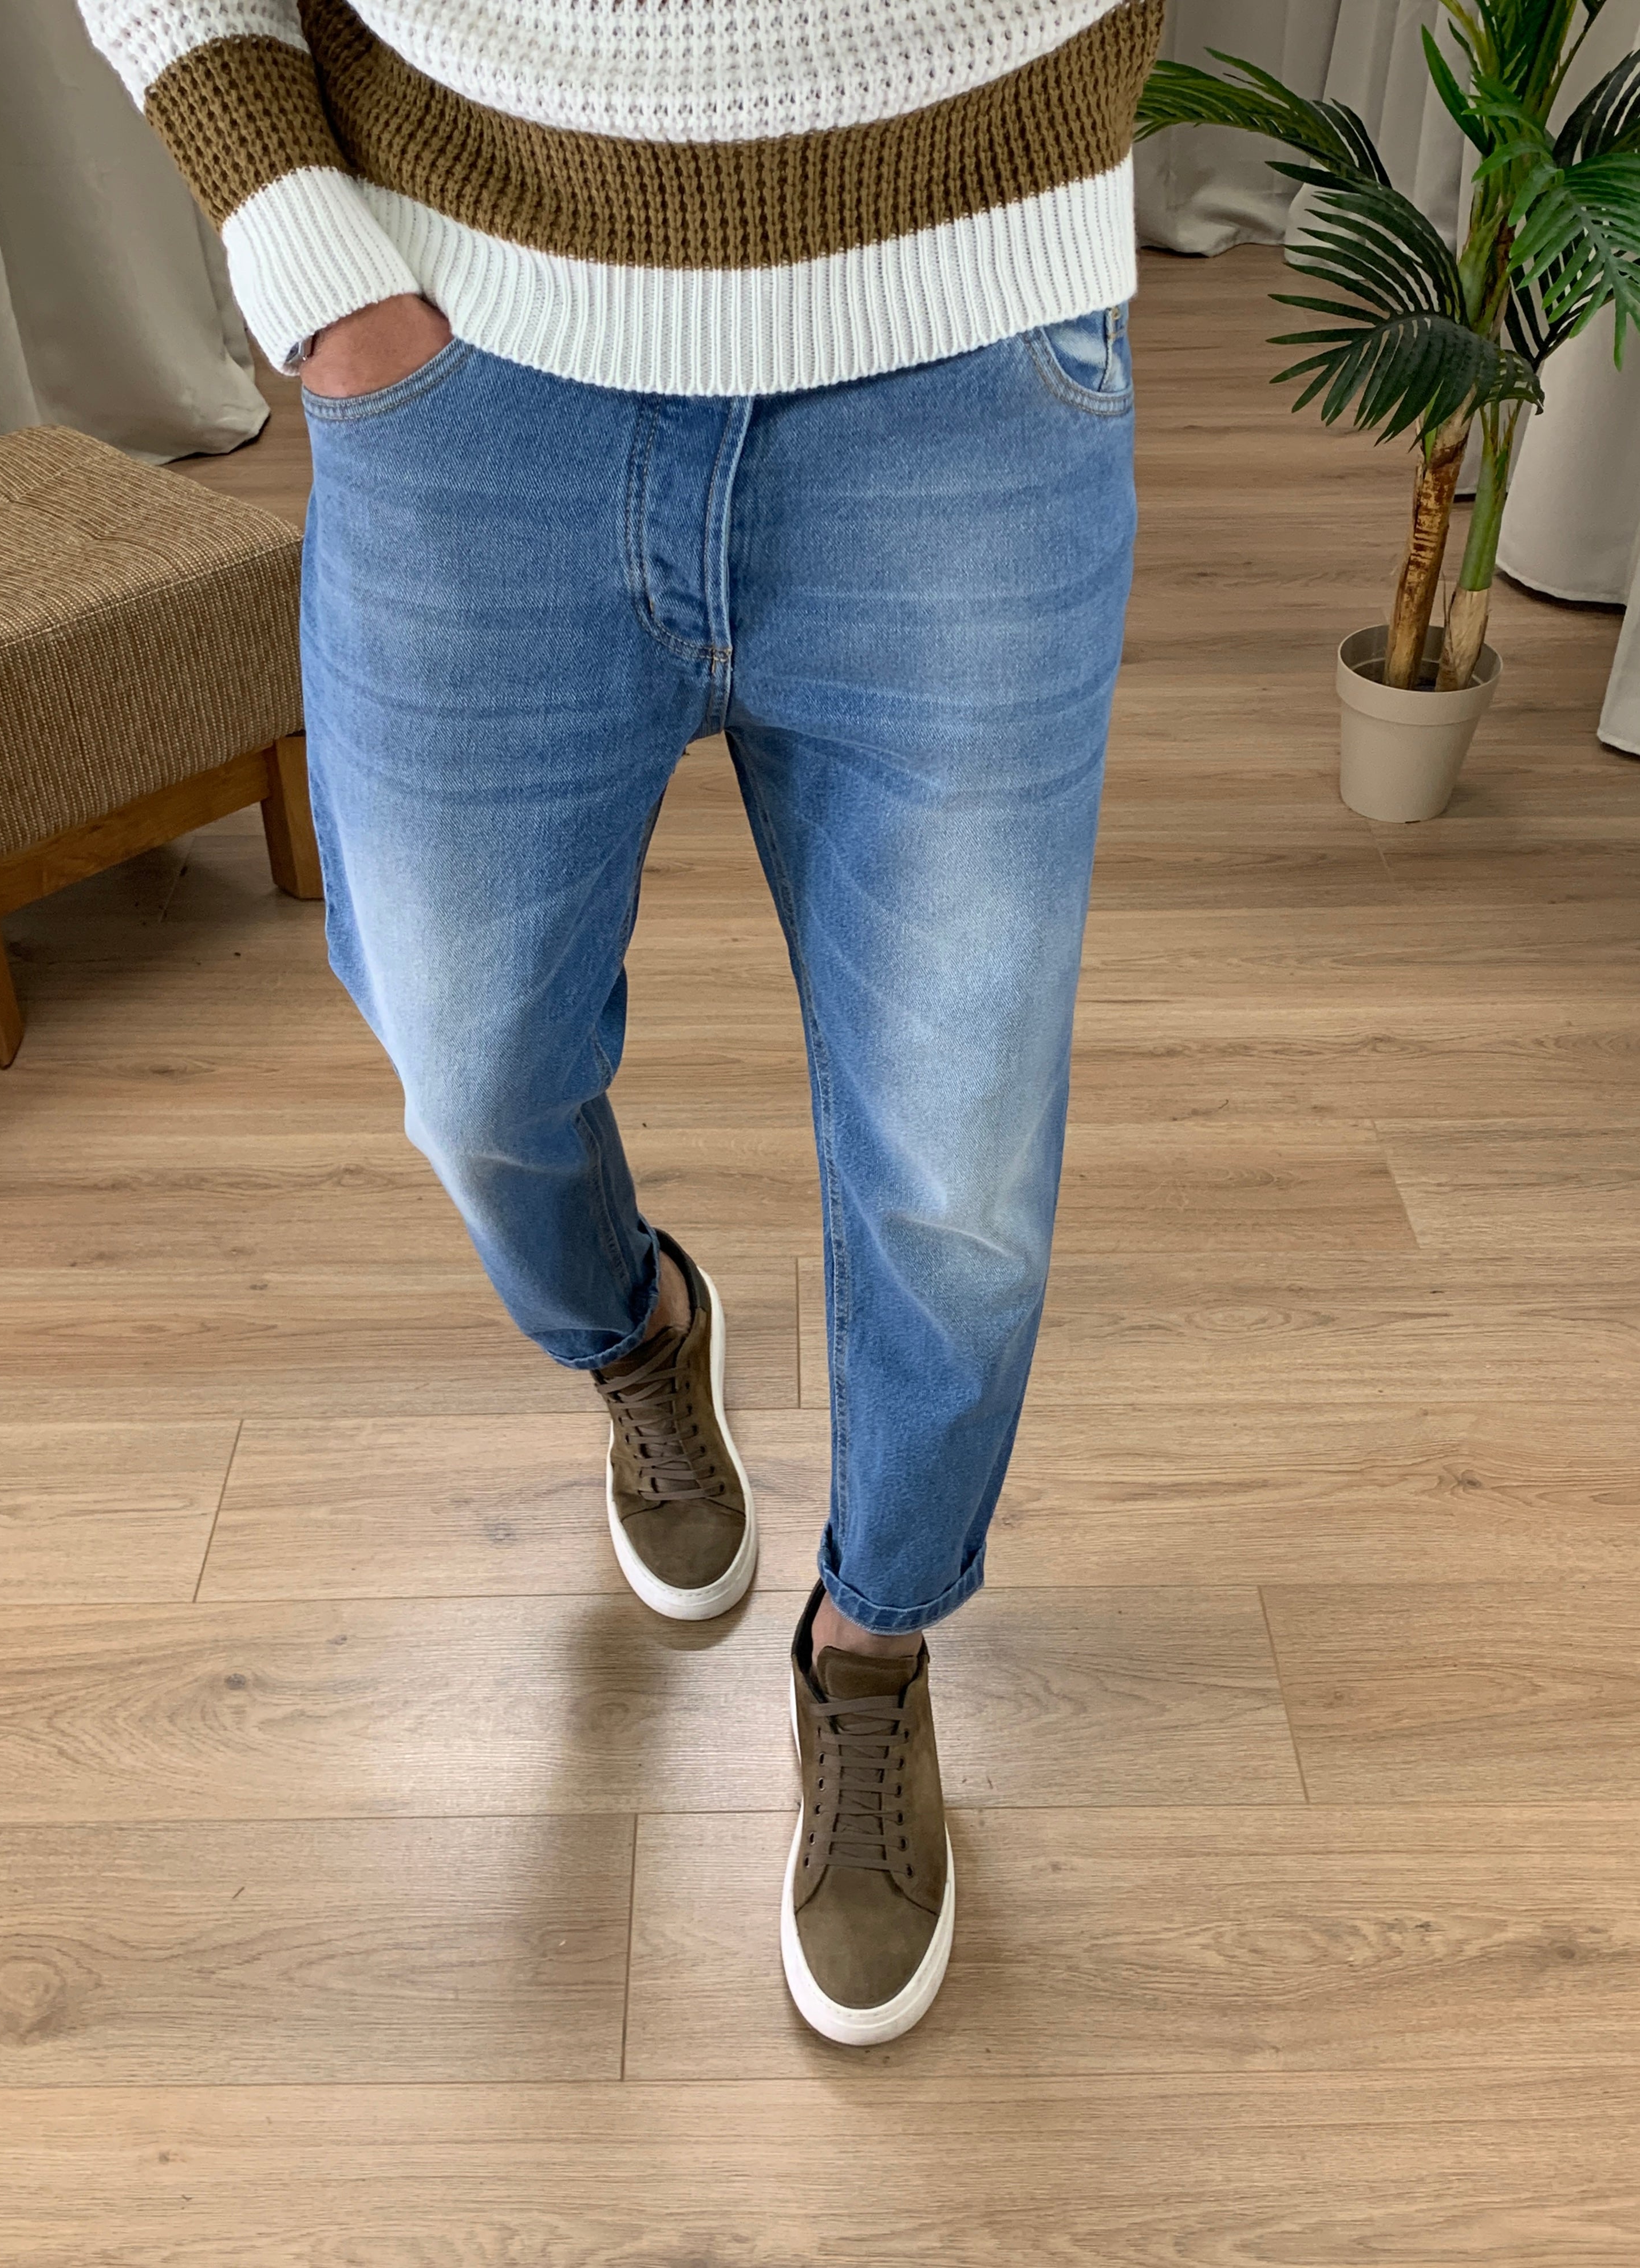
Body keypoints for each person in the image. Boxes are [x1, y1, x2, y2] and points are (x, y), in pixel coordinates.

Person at [83, 0, 1162, 2046]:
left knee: (957, 1177)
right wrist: (307, 255)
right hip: (467, 354)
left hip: (968, 356)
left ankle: (872, 1647)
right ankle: (636, 1330)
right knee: (468, 1061)